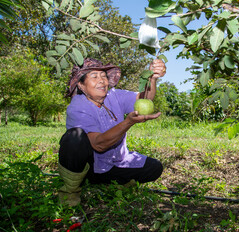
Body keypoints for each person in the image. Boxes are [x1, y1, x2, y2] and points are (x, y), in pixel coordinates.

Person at [58, 58, 166, 206]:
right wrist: (128, 122)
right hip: (91, 167)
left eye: (103, 76)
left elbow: (145, 98)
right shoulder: (77, 107)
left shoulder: (114, 95)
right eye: (94, 77)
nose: (101, 81)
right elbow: (99, 144)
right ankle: (71, 192)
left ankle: (113, 184)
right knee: (74, 138)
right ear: (81, 85)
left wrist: (152, 78)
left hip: (115, 163)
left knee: (154, 168)